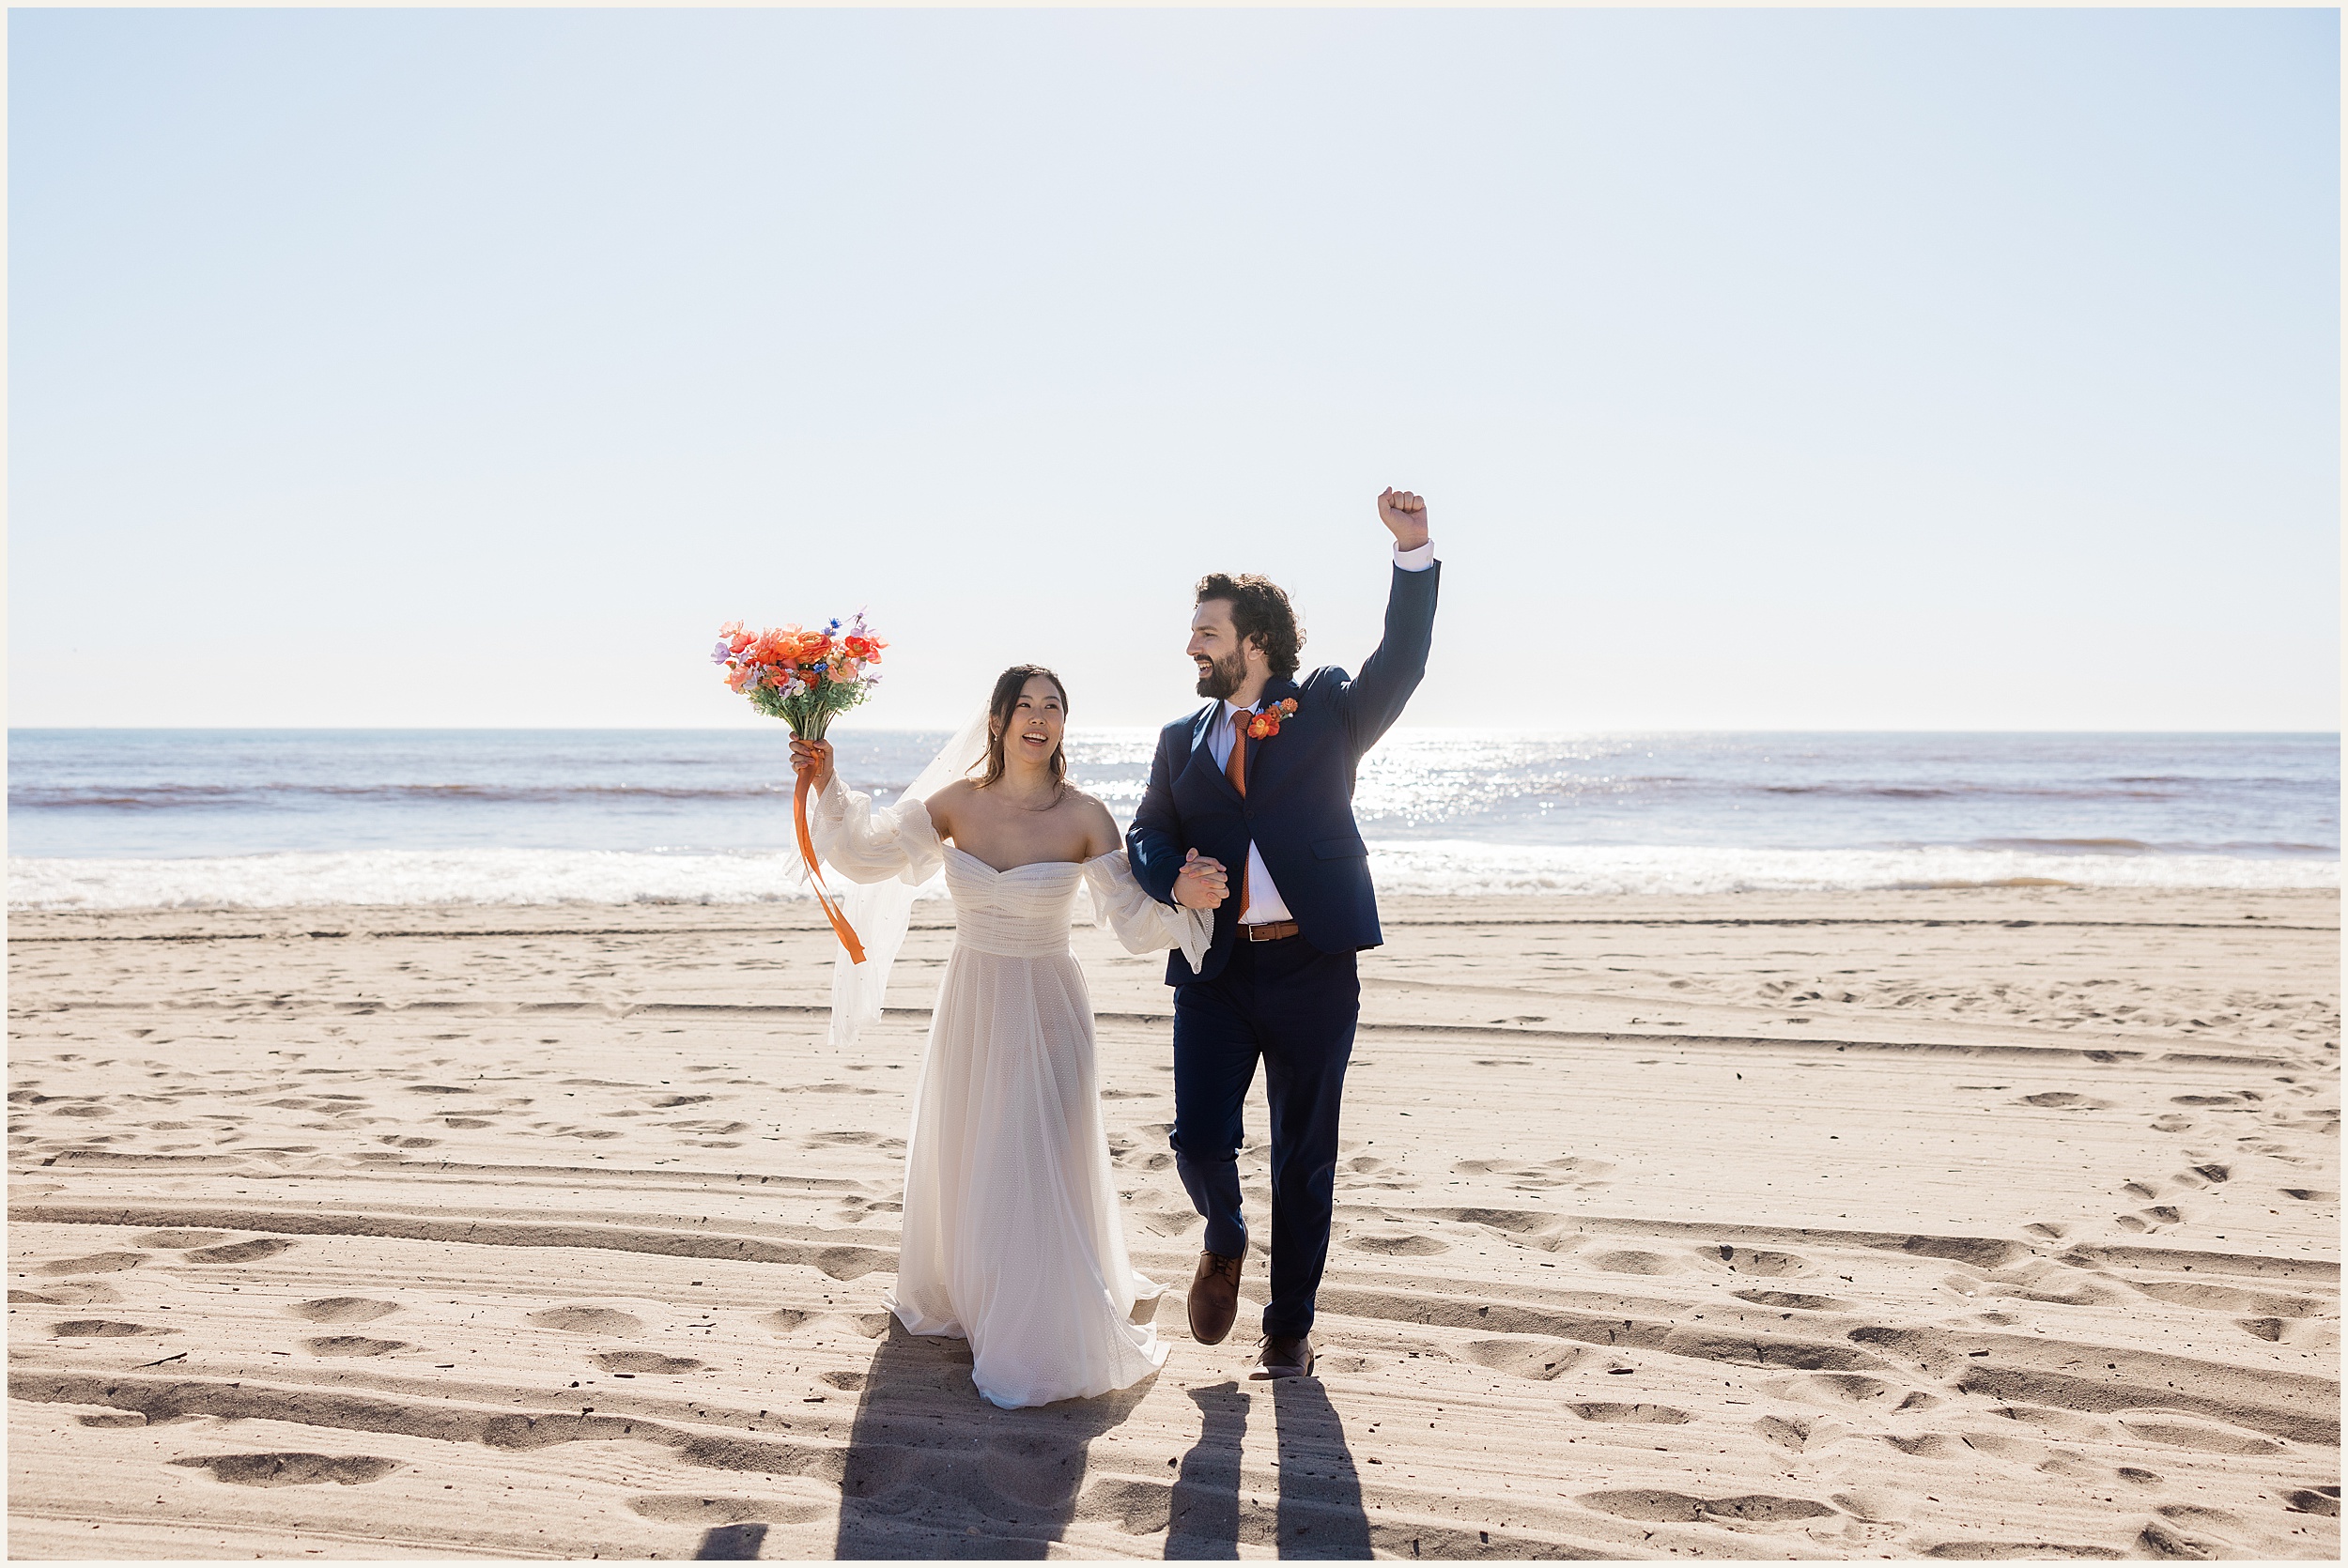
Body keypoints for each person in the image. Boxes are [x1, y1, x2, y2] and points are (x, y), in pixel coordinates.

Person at [792, 665, 1211, 1409]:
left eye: (1053, 707)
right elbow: (867, 855)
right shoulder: (955, 803)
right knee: (981, 1150)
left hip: (1049, 1005)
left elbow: (1131, 921)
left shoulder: (1086, 815)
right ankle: (982, 1296)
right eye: (1025, 706)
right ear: (997, 722)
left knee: (1035, 1151)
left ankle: (1037, 1323)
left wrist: (1185, 902)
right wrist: (827, 780)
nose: (1040, 719)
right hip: (973, 1002)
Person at [1126, 488, 1440, 1380]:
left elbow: (1406, 660)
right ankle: (1223, 1235)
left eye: (1207, 633)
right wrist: (1169, 874)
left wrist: (1412, 554)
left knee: (1305, 1156)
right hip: (1214, 970)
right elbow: (1147, 830)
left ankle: (1288, 1327)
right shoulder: (1178, 737)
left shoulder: (1331, 708)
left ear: (1255, 641)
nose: (1192, 646)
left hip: (1312, 965)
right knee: (1195, 1138)